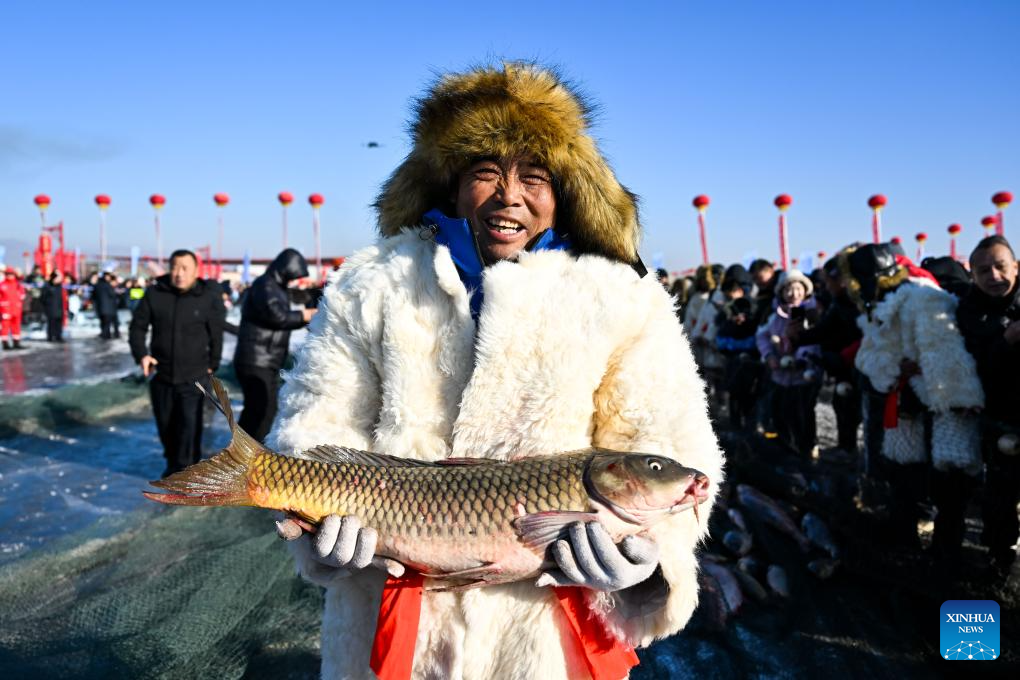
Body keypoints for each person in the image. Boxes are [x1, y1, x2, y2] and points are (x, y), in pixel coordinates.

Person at [268, 63, 723, 680]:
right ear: (450, 187)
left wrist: (644, 565)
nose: (510, 194)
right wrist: (323, 532)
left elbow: (670, 447)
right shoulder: (373, 283)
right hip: (389, 615)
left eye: (534, 177)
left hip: (542, 637)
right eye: (486, 171)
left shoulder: (621, 297)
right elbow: (316, 420)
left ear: (564, 193)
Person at [845, 243, 984, 555]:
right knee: (905, 476)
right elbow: (872, 355)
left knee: (948, 483)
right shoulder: (888, 302)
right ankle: (906, 541)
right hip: (907, 401)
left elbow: (945, 352)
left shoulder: (922, 298)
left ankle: (944, 556)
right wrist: (893, 371)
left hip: (944, 404)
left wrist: (956, 396)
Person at [129, 250, 225, 477]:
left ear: (195, 271)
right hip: (161, 375)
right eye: (175, 267)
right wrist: (142, 354)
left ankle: (186, 474)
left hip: (194, 376)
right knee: (167, 428)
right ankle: (173, 465)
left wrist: (213, 363)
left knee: (189, 429)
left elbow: (216, 333)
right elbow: (137, 327)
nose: (179, 273)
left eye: (185, 268)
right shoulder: (155, 294)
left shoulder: (205, 297)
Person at [956, 235, 1020, 575]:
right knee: (999, 499)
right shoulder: (967, 313)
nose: (994, 276)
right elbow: (973, 368)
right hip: (1001, 422)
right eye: (983, 271)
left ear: (1016, 267)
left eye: (1000, 266)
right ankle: (999, 563)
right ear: (973, 276)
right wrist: (1006, 341)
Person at [233, 248, 317, 442]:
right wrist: (306, 315)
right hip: (256, 360)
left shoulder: (275, 287)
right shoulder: (265, 285)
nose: (293, 281)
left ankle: (246, 450)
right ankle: (248, 452)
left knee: (263, 409)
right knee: (260, 410)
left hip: (265, 360)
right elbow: (277, 316)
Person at [755, 270, 822, 457]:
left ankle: (808, 446)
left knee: (805, 413)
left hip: (805, 376)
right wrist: (769, 356)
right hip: (781, 376)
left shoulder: (812, 313)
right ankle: (787, 447)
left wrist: (801, 360)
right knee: (782, 412)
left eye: (798, 288)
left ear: (805, 290)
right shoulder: (774, 315)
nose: (794, 293)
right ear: (782, 292)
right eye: (789, 289)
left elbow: (815, 341)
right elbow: (762, 336)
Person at [1, 267, 26, 350]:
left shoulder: (18, 284)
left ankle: (16, 342)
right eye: (8, 274)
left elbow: (22, 295)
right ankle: (5, 344)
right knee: (5, 327)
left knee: (16, 327)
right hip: (6, 310)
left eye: (11, 274)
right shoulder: (2, 285)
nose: (10, 276)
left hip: (16, 310)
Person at [93, 271, 120, 339]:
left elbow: (94, 296)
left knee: (103, 323)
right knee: (107, 324)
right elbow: (112, 295)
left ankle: (105, 335)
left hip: (100, 308)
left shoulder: (97, 285)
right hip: (109, 309)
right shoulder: (108, 286)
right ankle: (106, 336)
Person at [40, 271, 65, 342]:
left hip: (59, 308)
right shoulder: (47, 286)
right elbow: (43, 298)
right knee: (51, 323)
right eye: (59, 278)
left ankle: (58, 336)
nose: (60, 279)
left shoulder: (59, 286)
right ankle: (50, 336)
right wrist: (47, 305)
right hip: (50, 308)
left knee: (59, 322)